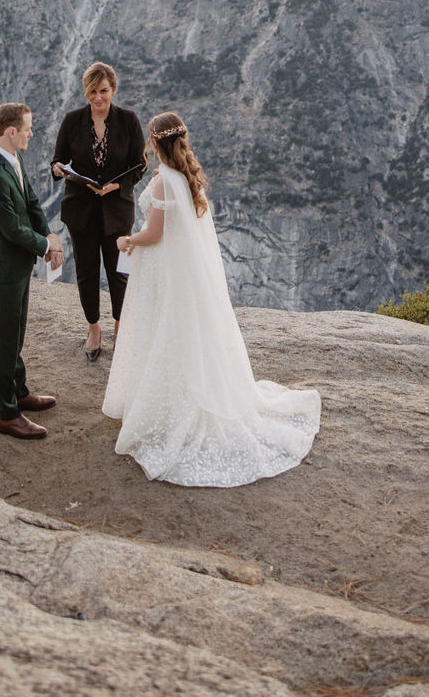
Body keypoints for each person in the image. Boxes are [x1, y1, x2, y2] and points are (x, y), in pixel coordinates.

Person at [103, 111, 321, 486]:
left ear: (154, 143)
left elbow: (154, 234)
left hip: (163, 271)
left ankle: (170, 407)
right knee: (181, 335)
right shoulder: (187, 179)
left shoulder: (162, 184)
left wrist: (127, 240)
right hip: (180, 271)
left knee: (161, 333)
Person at [0, 102, 64, 439]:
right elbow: (12, 228)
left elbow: (30, 202)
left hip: (19, 265)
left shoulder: (13, 160)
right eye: (27, 128)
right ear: (11, 132)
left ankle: (20, 391)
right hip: (4, 268)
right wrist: (46, 247)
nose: (32, 133)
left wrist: (48, 235)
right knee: (4, 339)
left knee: (16, 332)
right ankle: (6, 413)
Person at [51, 62, 146, 361]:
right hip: (81, 211)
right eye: (92, 91)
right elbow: (57, 162)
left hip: (118, 211)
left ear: (113, 90)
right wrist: (58, 170)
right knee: (86, 273)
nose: (98, 98)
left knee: (120, 273)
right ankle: (93, 328)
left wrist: (116, 185)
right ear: (86, 92)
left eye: (103, 91)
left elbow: (139, 166)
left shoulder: (129, 121)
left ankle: (120, 327)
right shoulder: (72, 120)